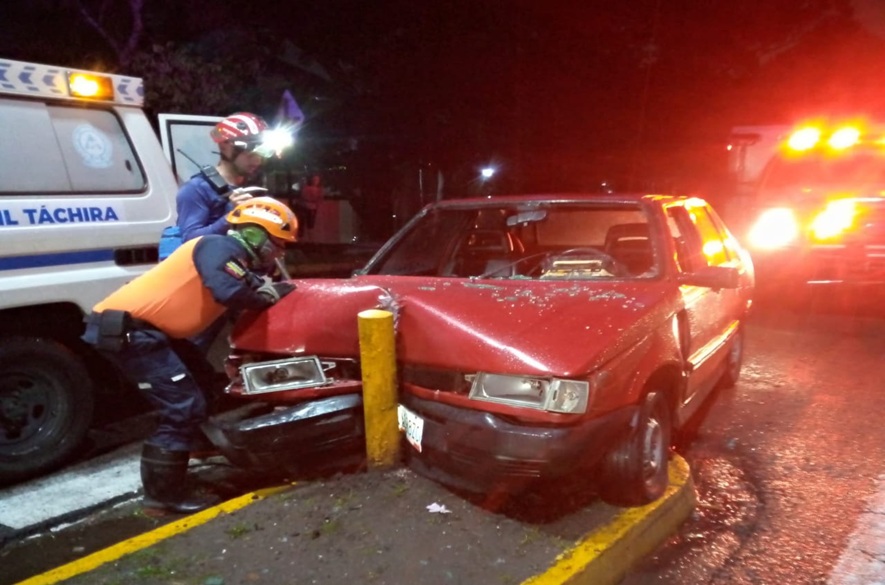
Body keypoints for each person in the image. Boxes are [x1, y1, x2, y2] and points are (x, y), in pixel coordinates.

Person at [82, 197, 299, 514]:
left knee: (201, 381)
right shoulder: (218, 247)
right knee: (182, 408)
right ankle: (163, 495)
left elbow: (245, 282)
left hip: (150, 332)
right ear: (256, 234)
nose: (279, 253)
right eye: (277, 244)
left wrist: (267, 290)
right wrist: (263, 296)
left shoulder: (230, 256)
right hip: (134, 333)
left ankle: (192, 447)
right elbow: (229, 291)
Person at [176, 112, 273, 243]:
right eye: (251, 155)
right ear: (224, 146)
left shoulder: (254, 187)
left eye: (261, 155)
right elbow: (190, 239)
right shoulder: (196, 189)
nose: (257, 162)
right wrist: (231, 216)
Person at [299, 174, 325, 240]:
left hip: (312, 208)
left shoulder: (318, 189)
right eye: (315, 179)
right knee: (306, 225)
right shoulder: (306, 188)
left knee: (310, 225)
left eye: (317, 180)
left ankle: (310, 239)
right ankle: (307, 239)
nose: (316, 181)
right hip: (307, 208)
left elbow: (320, 199)